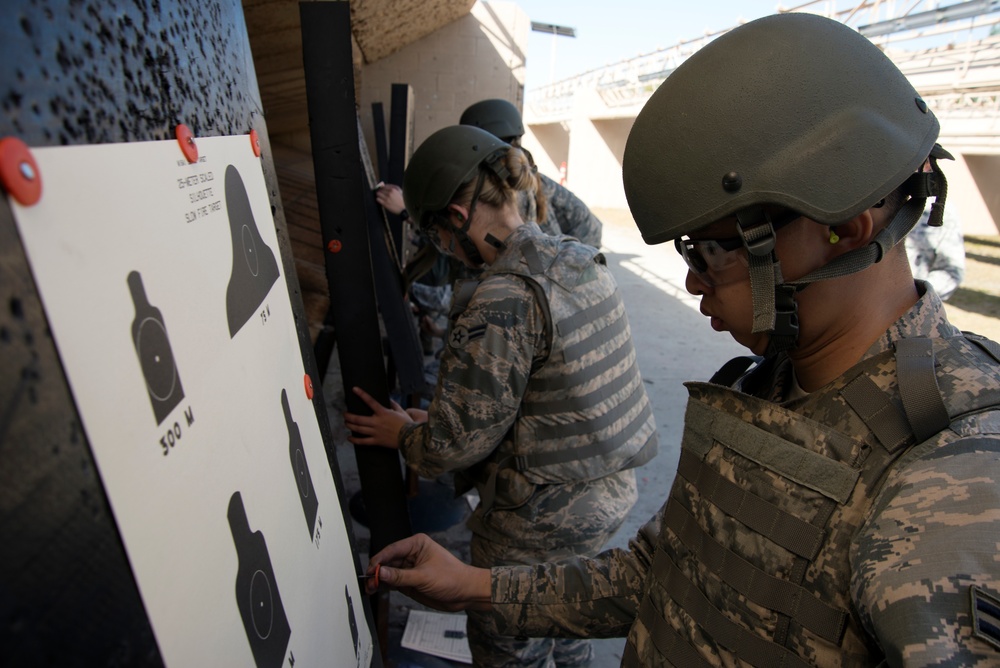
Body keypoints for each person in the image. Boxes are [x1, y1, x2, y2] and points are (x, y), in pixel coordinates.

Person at [359, 13, 1000, 666]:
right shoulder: (768, 389)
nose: (694, 286)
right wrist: (475, 585)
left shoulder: (955, 472)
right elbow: (661, 576)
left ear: (845, 230)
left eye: (713, 253)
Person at [345, 124, 659, 667]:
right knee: (566, 623)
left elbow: (450, 446)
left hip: (540, 521)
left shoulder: (503, 296)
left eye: (438, 234)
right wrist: (444, 414)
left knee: (510, 646)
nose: (443, 248)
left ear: (458, 217)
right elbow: (555, 393)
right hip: (605, 499)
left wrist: (407, 435)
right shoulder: (574, 258)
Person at [460, 98, 604, 249]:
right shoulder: (522, 172)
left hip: (583, 240)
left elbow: (534, 251)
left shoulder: (516, 186)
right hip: (580, 237)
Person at [905, 199, 966, 300]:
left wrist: (914, 296)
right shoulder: (876, 198)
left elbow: (952, 271)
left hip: (909, 307)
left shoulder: (939, 209)